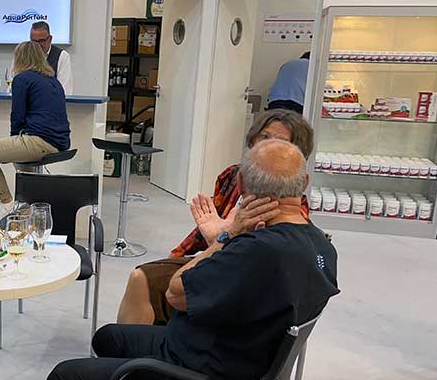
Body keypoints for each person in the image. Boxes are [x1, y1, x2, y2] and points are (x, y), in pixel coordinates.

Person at [47, 139, 339, 380]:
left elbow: (174, 292)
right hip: (241, 369)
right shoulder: (322, 247)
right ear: (305, 183)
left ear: (240, 185)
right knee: (108, 337)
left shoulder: (255, 251)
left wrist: (228, 235)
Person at [116, 109, 313, 325]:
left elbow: (256, 260)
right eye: (264, 137)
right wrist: (180, 254)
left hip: (242, 277)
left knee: (163, 288)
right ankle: (137, 342)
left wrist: (223, 239)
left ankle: (146, 342)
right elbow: (210, 223)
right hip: (218, 255)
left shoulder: (290, 204)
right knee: (141, 277)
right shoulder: (232, 176)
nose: (268, 146)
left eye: (280, 142)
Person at [0, 41, 71, 224]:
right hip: (60, 143)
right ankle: (28, 205)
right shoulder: (53, 81)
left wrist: (14, 139)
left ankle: (6, 201)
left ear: (20, 58)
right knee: (19, 158)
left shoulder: (22, 79)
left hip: (39, 141)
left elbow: (17, 115)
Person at [30, 21, 73, 95]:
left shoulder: (62, 56)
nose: (37, 45)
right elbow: (12, 84)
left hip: (51, 100)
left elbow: (65, 90)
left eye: (41, 41)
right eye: (34, 41)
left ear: (50, 39)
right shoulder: (22, 55)